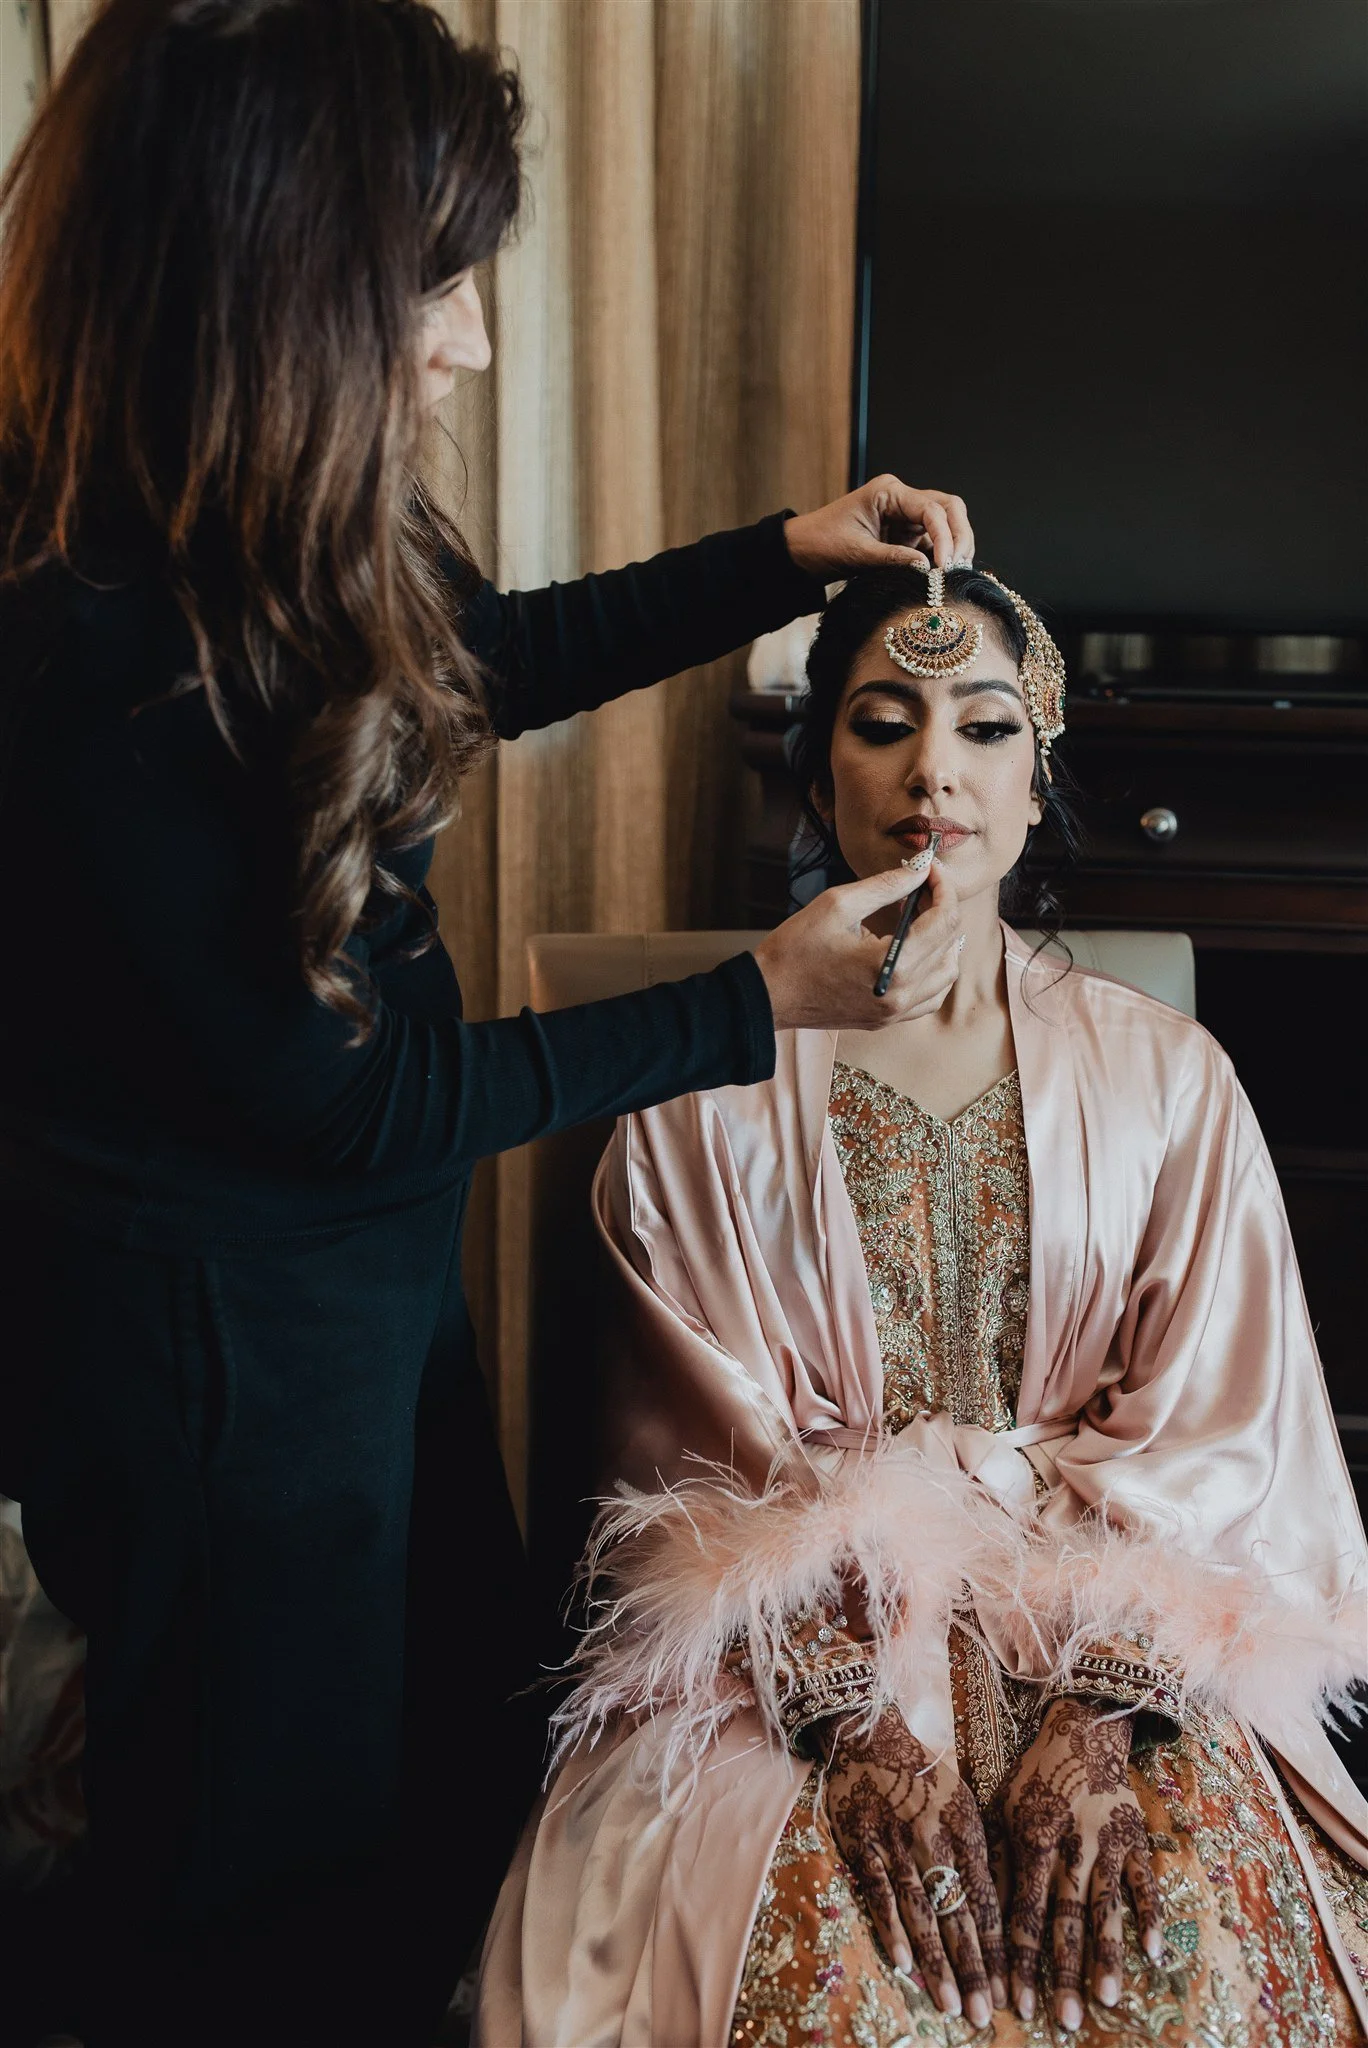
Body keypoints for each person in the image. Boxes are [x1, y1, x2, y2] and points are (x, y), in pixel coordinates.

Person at [0, 4, 977, 2042]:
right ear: (280, 289)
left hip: (351, 1301)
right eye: (434, 287)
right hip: (222, 1370)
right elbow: (349, 1110)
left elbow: (469, 665)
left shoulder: (234, 523)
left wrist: (774, 562)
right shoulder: (98, 635)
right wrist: (750, 1001)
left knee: (447, 1786)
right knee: (264, 1900)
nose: (468, 345)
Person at [477, 565, 1368, 2046]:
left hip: (1112, 1623)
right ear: (822, 774)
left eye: (987, 729)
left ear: (1037, 782)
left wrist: (1094, 1719)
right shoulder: (699, 1092)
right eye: (884, 723)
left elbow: (1227, 1431)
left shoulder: (1171, 1081)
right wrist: (860, 1727)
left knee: (1165, 1952)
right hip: (792, 1661)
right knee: (847, 1979)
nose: (934, 770)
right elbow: (694, 1484)